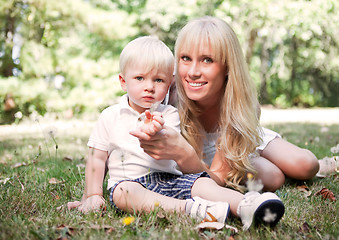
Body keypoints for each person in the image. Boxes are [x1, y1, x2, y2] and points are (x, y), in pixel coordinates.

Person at [67, 36, 285, 230]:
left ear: (169, 83)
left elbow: (165, 134)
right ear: (123, 81)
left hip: (170, 180)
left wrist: (154, 126)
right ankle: (192, 210)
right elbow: (97, 158)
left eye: (158, 80)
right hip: (130, 182)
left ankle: (246, 204)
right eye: (140, 79)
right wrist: (93, 195)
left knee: (202, 183)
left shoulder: (169, 113)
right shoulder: (110, 116)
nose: (149, 87)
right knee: (124, 193)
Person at [129, 16, 321, 194]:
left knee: (307, 165)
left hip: (235, 141)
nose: (193, 72)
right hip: (205, 158)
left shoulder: (241, 105)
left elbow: (216, 180)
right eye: (186, 58)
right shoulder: (165, 88)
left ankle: (319, 164)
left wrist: (184, 154)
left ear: (228, 66)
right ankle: (245, 164)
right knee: (274, 177)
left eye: (207, 60)